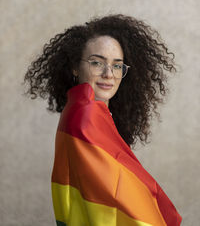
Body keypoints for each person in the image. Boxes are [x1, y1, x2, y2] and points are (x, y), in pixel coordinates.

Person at [23, 14, 182, 225]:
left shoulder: (83, 109)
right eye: (97, 63)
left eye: (117, 66)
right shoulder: (86, 118)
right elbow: (122, 200)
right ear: (74, 67)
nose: (109, 74)